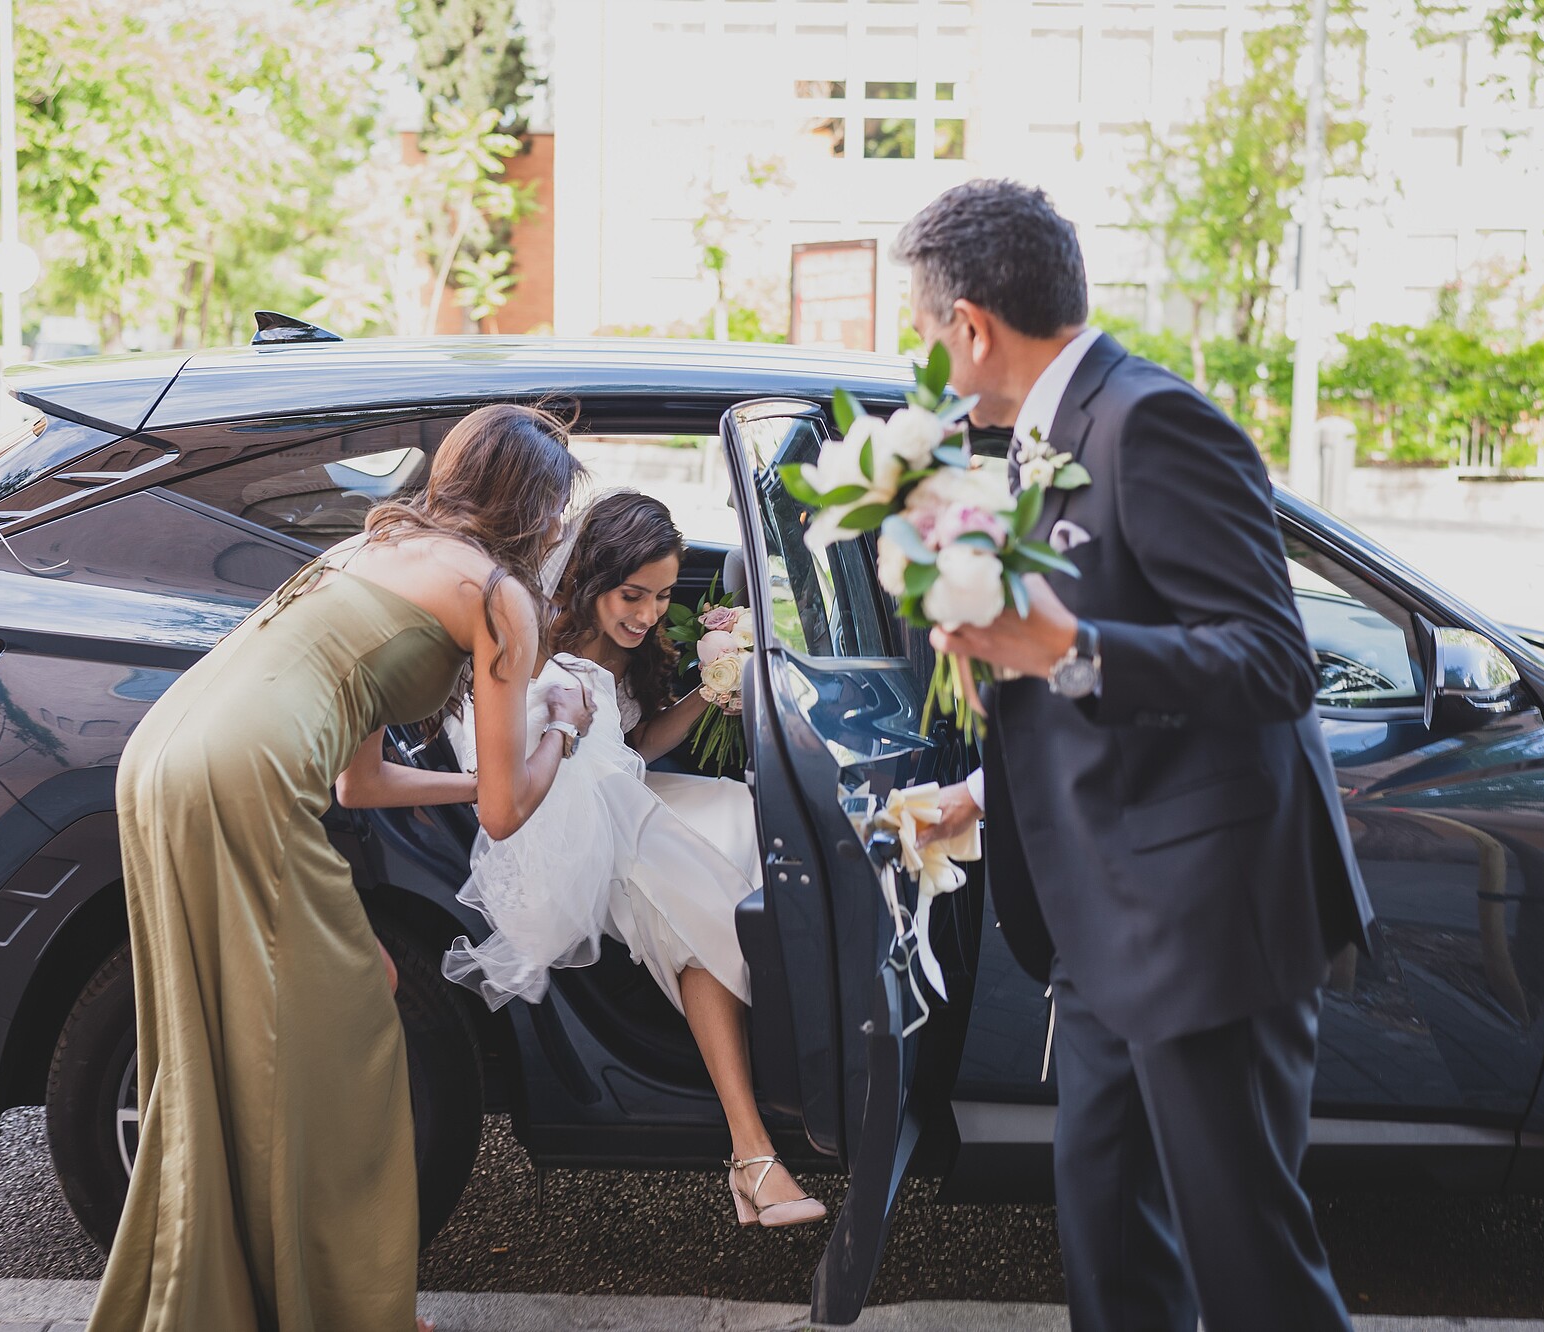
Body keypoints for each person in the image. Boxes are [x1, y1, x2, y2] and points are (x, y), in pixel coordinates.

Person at [899, 180, 1375, 1332]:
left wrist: (1071, 650)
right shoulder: (1030, 442)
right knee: (1107, 1248)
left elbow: (1272, 662)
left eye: (920, 328)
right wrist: (981, 792)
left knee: (1246, 1264)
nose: (920, 354)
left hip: (1204, 922)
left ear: (970, 325)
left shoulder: (1149, 421)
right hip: (1101, 929)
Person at [87, 404, 596, 1332]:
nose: (560, 526)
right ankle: (349, 1309)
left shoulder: (375, 542)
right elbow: (504, 811)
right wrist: (561, 724)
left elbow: (360, 784)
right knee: (357, 1040)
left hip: (166, 757)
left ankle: (262, 1290)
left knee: (247, 1023)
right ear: (533, 509)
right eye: (558, 508)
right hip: (244, 779)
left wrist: (479, 778)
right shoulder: (497, 596)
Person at [443, 490, 826, 1228]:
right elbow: (507, 772)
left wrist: (712, 689)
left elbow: (638, 745)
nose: (648, 614)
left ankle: (788, 1063)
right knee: (691, 897)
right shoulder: (532, 644)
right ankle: (752, 1152)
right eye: (632, 595)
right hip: (574, 832)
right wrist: (564, 726)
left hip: (630, 795)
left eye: (662, 596)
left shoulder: (632, 646)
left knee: (743, 814)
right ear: (592, 576)